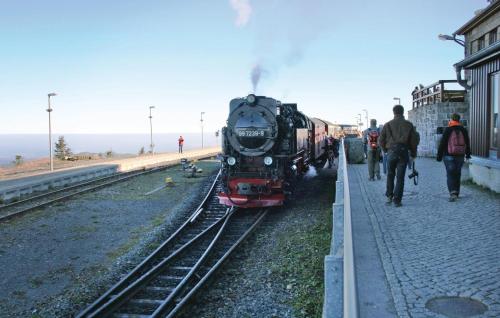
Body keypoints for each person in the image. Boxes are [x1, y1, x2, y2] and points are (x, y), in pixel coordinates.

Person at [379, 105, 419, 207]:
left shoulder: (387, 125)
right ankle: (397, 200)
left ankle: (389, 197)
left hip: (391, 152)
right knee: (400, 178)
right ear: (403, 112)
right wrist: (413, 154)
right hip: (403, 152)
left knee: (390, 175)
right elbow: (414, 141)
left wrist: (385, 150)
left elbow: (381, 140)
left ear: (393, 112)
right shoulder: (409, 125)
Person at [436, 113, 471, 202]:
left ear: (451, 120)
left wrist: (439, 156)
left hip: (448, 155)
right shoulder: (463, 129)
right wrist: (467, 154)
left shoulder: (448, 129)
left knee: (450, 174)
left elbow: (443, 143)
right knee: (457, 174)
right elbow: (467, 142)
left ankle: (453, 193)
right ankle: (457, 192)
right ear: (459, 120)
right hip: (460, 155)